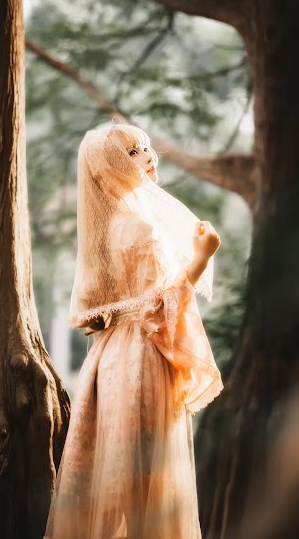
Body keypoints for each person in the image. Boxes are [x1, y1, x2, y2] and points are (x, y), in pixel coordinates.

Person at [44, 124, 223, 539]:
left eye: (145, 147)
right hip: (143, 356)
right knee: (149, 479)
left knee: (113, 476)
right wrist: (200, 259)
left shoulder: (104, 230)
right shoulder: (140, 227)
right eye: (132, 152)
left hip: (108, 359)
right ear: (110, 169)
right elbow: (160, 307)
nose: (148, 156)